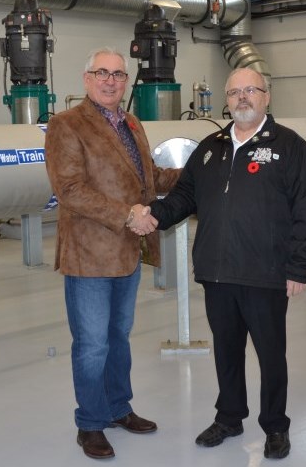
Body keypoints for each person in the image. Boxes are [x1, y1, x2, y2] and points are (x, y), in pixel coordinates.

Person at [145, 67, 306, 460]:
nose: (242, 98)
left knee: (270, 354)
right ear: (225, 99)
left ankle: (275, 426)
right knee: (226, 350)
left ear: (266, 96)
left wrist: (299, 267)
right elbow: (183, 197)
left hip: (266, 273)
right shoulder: (209, 148)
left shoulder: (290, 146)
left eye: (250, 91)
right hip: (217, 270)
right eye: (234, 92)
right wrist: (154, 215)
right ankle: (229, 417)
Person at [44, 47, 179, 460]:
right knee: (91, 345)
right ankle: (90, 423)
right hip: (89, 254)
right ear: (87, 79)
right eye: (102, 73)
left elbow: (149, 179)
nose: (111, 81)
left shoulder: (132, 123)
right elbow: (69, 190)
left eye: (119, 75)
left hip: (127, 251)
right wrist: (128, 215)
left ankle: (119, 408)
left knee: (118, 338)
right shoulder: (66, 125)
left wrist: (201, 171)